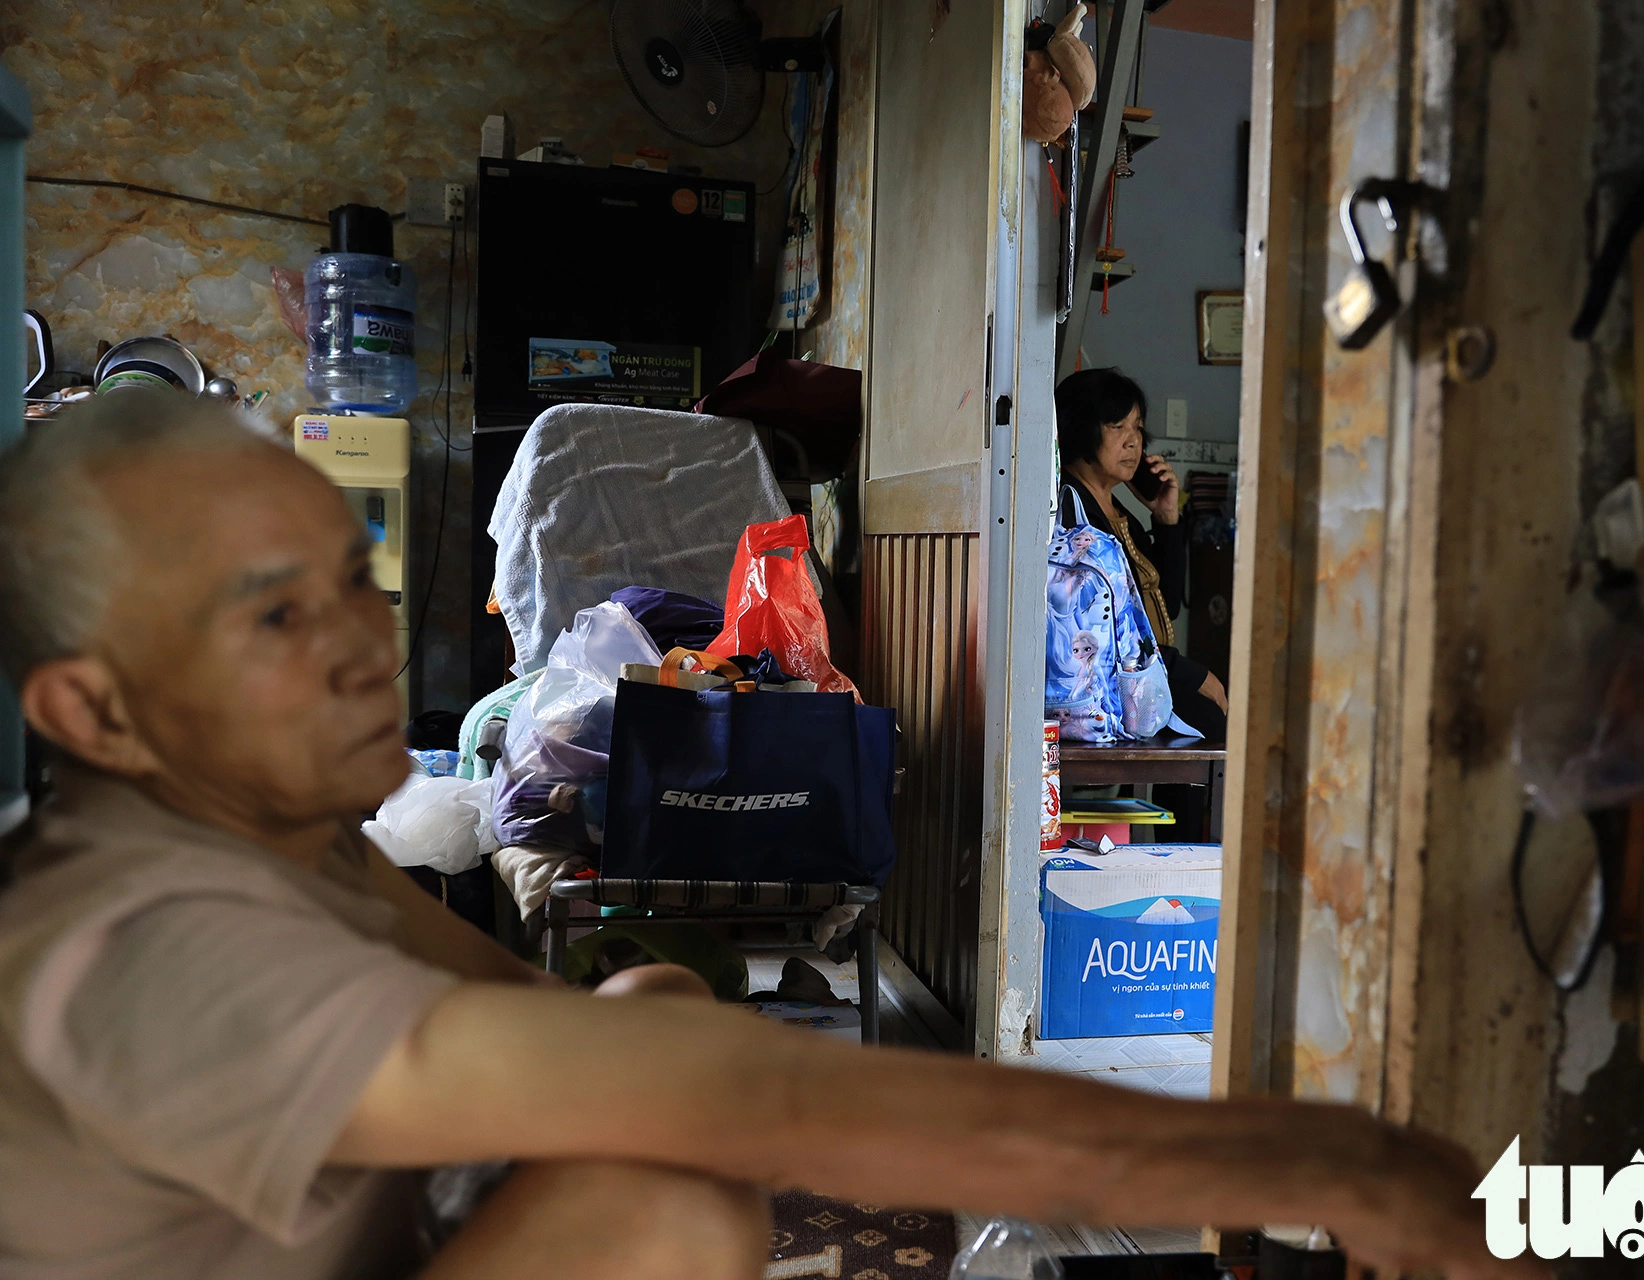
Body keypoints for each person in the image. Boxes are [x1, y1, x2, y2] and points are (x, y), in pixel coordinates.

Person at [0, 391, 1536, 1280]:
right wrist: (1340, 1163)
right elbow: (725, 1105)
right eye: (273, 614)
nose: (357, 641)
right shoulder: (136, 946)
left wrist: (676, 1072)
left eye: (351, 578)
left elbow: (590, 1049)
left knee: (661, 1015)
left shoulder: (292, 844)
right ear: (95, 713)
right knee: (670, 1183)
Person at [1055, 368, 1228, 740]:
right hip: (1114, 687)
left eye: (1138, 427)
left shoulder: (1120, 514)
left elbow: (1167, 606)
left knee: (1214, 721)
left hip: (1150, 675)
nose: (1134, 442)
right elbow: (1106, 641)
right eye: (1118, 426)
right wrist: (1191, 672)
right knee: (1215, 726)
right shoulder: (1071, 518)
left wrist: (1166, 518)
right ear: (1082, 427)